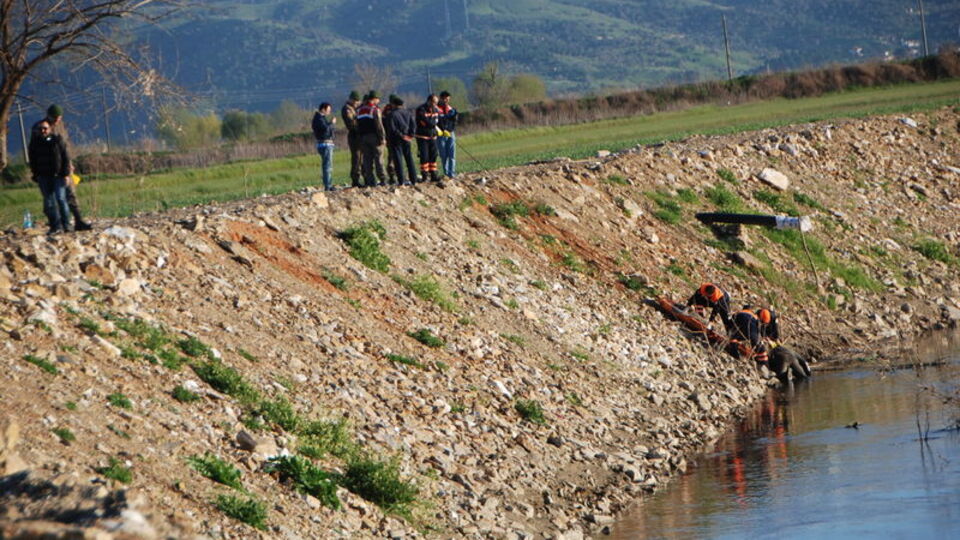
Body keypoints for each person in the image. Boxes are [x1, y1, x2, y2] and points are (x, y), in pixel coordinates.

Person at [31, 104, 92, 230]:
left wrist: (69, 164)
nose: (58, 119)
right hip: (46, 170)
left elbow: (64, 148)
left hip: (63, 168)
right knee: (50, 200)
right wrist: (35, 171)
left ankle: (78, 220)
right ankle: (56, 225)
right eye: (56, 117)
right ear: (50, 116)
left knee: (70, 195)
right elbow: (33, 150)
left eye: (60, 117)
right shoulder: (40, 128)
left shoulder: (60, 127)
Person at [28, 120, 71, 236]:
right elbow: (32, 160)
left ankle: (66, 225)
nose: (43, 130)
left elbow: (65, 158)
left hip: (58, 176)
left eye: (45, 128)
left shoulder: (57, 140)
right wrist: (35, 174)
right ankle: (55, 226)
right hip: (43, 176)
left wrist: (66, 174)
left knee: (61, 199)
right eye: (41, 128)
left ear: (50, 129)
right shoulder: (35, 143)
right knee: (49, 202)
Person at [384, 96, 418, 186]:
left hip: (396, 140)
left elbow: (392, 128)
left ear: (394, 104)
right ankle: (413, 179)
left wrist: (401, 135)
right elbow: (413, 125)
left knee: (398, 160)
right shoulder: (408, 113)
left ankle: (401, 180)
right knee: (409, 158)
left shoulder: (391, 115)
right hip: (407, 138)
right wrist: (411, 135)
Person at [356, 91, 387, 187]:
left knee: (367, 160)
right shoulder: (374, 109)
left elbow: (357, 125)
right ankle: (382, 179)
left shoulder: (359, 110)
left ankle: (370, 181)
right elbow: (379, 125)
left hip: (363, 137)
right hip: (375, 137)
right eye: (378, 99)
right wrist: (382, 138)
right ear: (374, 99)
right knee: (379, 158)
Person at [415, 94, 441, 184]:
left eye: (436, 103)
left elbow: (437, 121)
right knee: (424, 156)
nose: (435, 104)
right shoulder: (421, 109)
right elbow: (425, 122)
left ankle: (433, 174)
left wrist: (436, 127)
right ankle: (424, 175)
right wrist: (432, 123)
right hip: (423, 137)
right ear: (429, 101)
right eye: (434, 102)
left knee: (433, 155)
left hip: (433, 136)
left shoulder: (435, 110)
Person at [311, 102, 336, 191]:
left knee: (327, 165)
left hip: (325, 144)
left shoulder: (320, 118)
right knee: (327, 166)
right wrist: (331, 123)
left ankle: (328, 184)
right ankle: (328, 185)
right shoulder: (319, 119)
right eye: (328, 110)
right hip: (325, 144)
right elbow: (325, 129)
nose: (329, 112)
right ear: (323, 109)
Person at [341, 90, 363, 188]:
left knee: (362, 158)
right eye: (355, 100)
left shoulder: (356, 108)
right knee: (356, 158)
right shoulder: (347, 109)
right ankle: (355, 179)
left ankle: (363, 177)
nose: (356, 102)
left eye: (357, 101)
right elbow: (351, 123)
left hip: (360, 135)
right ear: (350, 99)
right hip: (354, 136)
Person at [437, 91, 459, 179]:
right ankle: (446, 173)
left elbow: (454, 122)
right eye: (445, 98)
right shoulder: (437, 109)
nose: (446, 100)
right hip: (441, 134)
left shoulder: (451, 109)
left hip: (450, 133)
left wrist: (450, 128)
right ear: (441, 98)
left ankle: (452, 173)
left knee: (452, 154)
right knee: (443, 155)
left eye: (448, 98)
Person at [381, 95, 399, 185]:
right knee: (392, 156)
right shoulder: (387, 110)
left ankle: (395, 174)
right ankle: (392, 175)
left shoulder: (386, 109)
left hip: (394, 135)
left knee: (395, 155)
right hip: (391, 135)